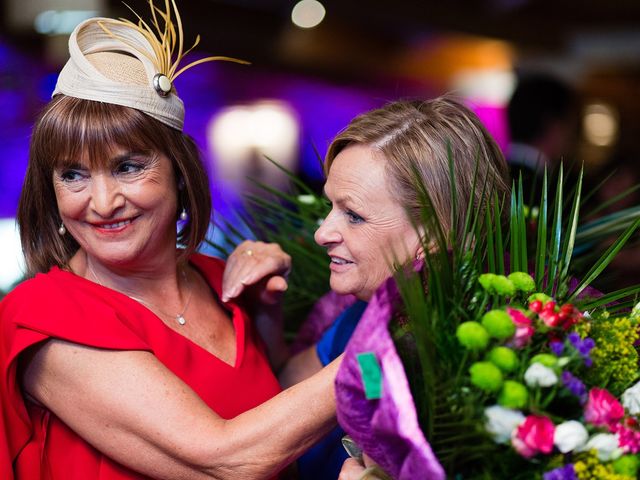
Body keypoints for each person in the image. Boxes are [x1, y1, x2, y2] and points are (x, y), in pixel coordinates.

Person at [0, 3, 342, 479]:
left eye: (128, 167)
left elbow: (278, 419)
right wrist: (379, 354)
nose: (102, 202)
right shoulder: (43, 315)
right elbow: (230, 461)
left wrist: (267, 317)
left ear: (180, 174)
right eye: (73, 175)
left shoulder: (224, 283)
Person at [222, 97, 511, 479]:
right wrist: (264, 309)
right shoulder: (359, 315)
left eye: (353, 215)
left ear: (437, 234)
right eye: (330, 207)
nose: (322, 232)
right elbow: (283, 392)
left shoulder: (476, 355)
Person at [506, 73, 579, 202]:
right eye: (572, 124)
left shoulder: (485, 176)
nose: (572, 136)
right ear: (555, 125)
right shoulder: (551, 194)